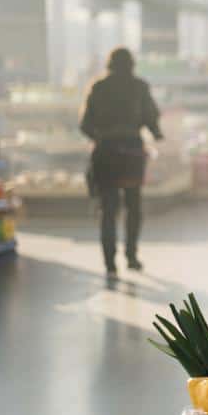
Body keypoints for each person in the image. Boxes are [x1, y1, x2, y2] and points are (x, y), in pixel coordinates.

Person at [79, 47, 162, 276]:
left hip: (105, 153)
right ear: (131, 64)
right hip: (132, 154)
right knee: (133, 205)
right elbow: (151, 116)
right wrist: (156, 133)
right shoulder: (139, 87)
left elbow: (84, 124)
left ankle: (109, 262)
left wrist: (99, 137)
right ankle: (132, 256)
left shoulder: (98, 87)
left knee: (108, 208)